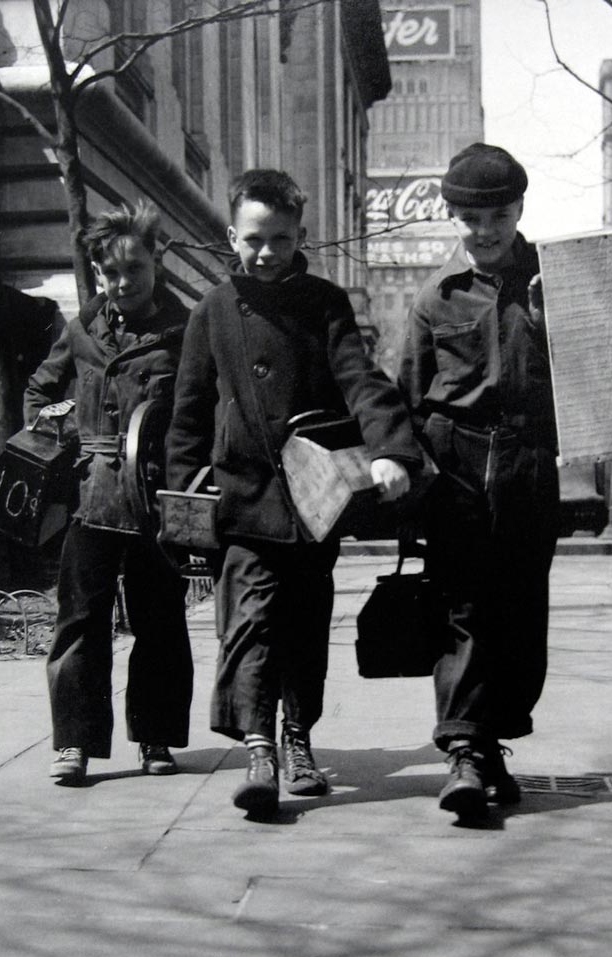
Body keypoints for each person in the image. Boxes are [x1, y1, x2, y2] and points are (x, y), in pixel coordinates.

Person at [165, 168, 423, 818]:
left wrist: (391, 450)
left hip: (315, 500)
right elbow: (188, 415)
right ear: (232, 235)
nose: (267, 251)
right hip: (242, 500)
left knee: (305, 627)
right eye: (254, 237)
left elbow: (361, 379)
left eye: (281, 238)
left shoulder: (326, 304)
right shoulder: (212, 312)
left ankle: (297, 735)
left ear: (300, 235)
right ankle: (259, 748)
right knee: (249, 624)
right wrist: (181, 503)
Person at [397, 143, 561, 819]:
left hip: (528, 468)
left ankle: (490, 742)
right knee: (463, 612)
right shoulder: (434, 298)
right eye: (469, 218)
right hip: (456, 470)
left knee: (520, 617)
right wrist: (408, 480)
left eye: (496, 215)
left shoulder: (556, 284)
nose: (483, 230)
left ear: (519, 210)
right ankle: (463, 751)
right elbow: (406, 396)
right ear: (452, 218)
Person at [24, 202, 194, 785]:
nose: (124, 283)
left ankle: (156, 738)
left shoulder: (184, 331)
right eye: (112, 273)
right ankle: (73, 744)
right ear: (99, 271)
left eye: (136, 270)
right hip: (90, 497)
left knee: (161, 620)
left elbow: (202, 410)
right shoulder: (79, 333)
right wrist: (72, 435)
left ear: (157, 264)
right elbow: (41, 395)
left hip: (155, 496)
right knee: (80, 620)